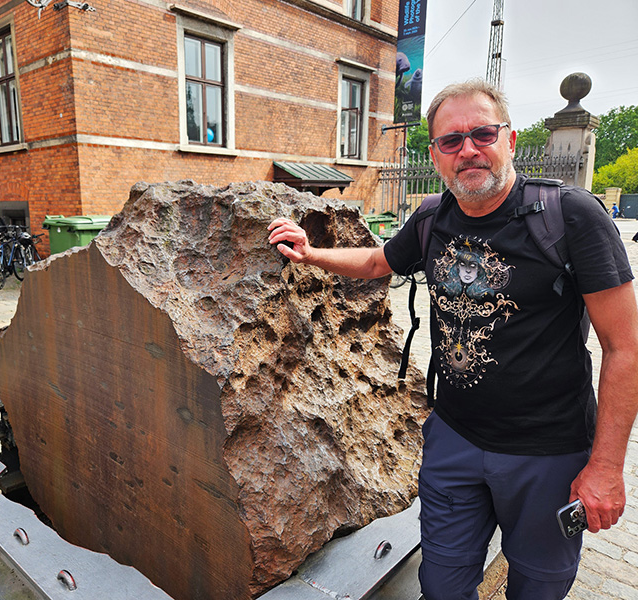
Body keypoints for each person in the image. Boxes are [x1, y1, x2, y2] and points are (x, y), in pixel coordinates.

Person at [268, 79, 638, 600]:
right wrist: (311, 253)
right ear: (437, 156)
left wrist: (605, 469)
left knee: (539, 586)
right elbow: (377, 262)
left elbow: (625, 347)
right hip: (454, 440)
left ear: (510, 141)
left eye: (482, 134)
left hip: (549, 453)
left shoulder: (572, 217)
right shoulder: (430, 218)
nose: (468, 149)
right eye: (451, 140)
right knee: (441, 584)